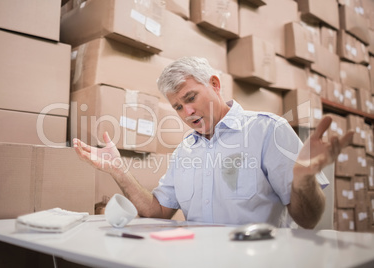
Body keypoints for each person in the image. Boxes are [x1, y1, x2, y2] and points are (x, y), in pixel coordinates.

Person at [73, 57, 354, 229]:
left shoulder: (268, 130)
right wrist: (118, 170)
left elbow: (308, 220)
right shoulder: (185, 150)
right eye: (178, 107)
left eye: (191, 98)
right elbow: (157, 210)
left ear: (215, 85)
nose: (188, 113)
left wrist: (303, 181)